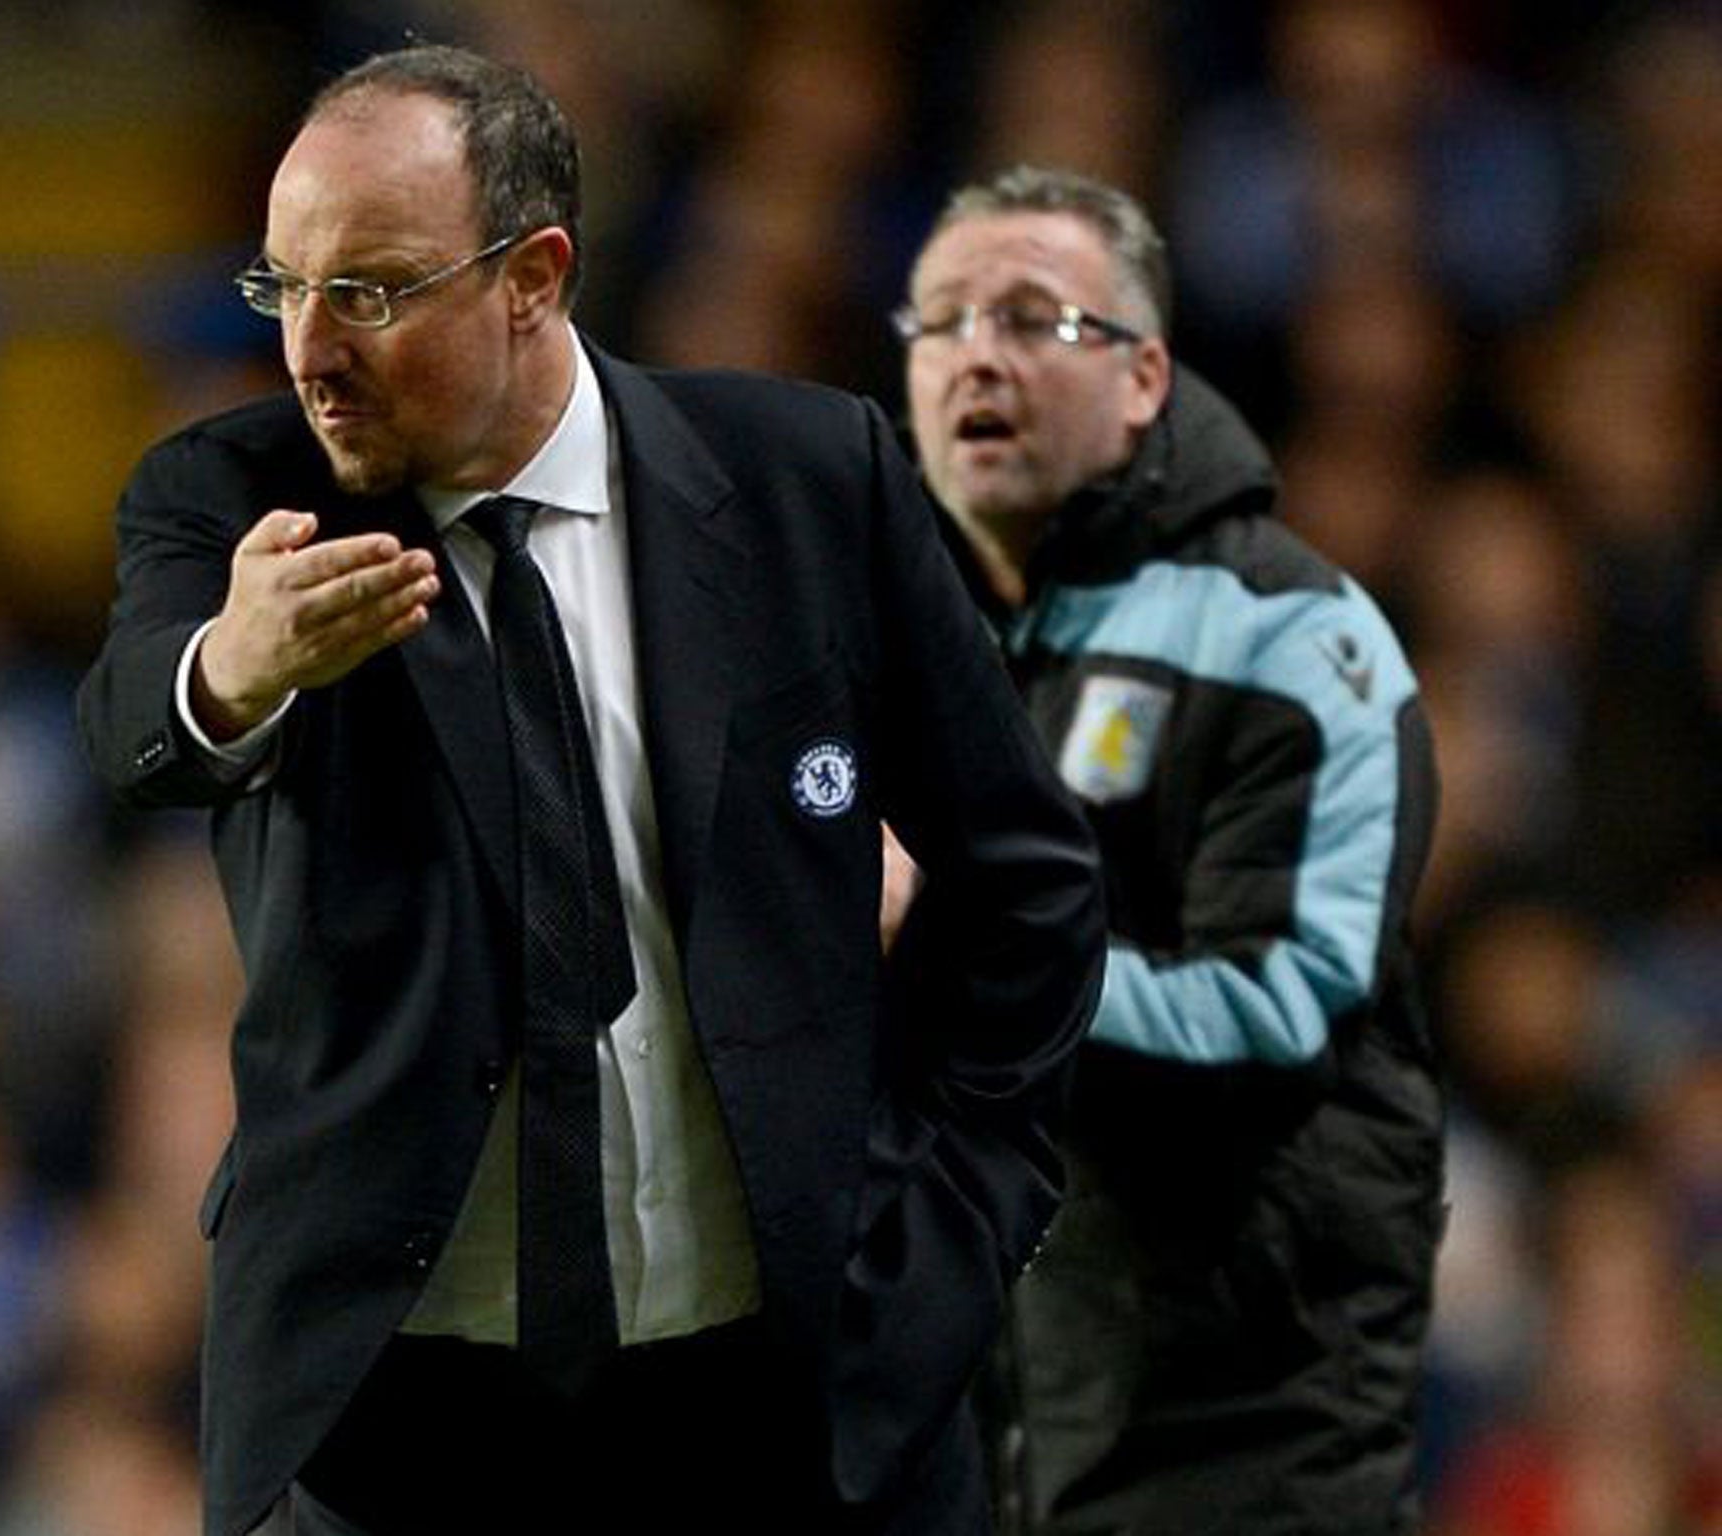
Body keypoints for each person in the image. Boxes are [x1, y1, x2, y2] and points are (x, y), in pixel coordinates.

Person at [76, 47, 1107, 1536]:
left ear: (533, 278)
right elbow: (134, 727)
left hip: (786, 1404)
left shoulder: (812, 482)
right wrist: (234, 666)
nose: (312, 346)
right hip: (405, 1424)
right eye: (283, 288)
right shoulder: (237, 502)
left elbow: (1030, 882)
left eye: (367, 291)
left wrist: (952, 1228)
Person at [891, 165, 1443, 1535]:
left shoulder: (1293, 646)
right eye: (942, 322)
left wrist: (951, 944)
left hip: (1246, 1433)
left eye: (1032, 319)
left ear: (1145, 378)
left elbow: (1277, 1022)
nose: (978, 358)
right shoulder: (895, 643)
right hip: (980, 1419)